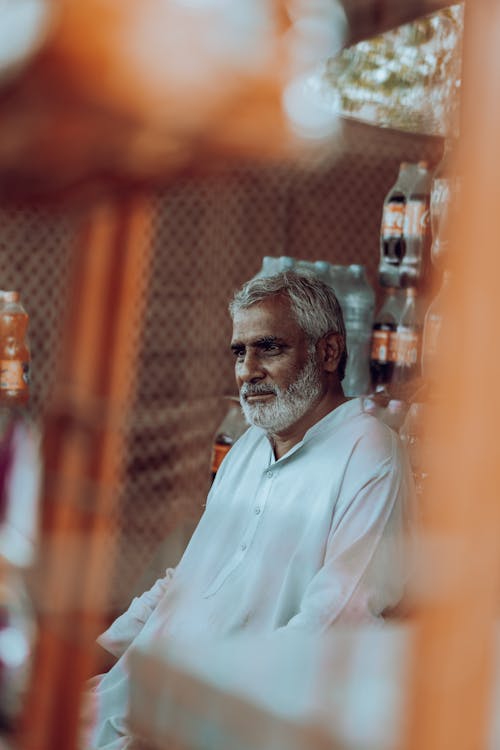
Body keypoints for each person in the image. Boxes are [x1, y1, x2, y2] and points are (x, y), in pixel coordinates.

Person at [82, 271, 414, 749]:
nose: (247, 370)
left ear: (328, 352)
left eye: (270, 348)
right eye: (239, 352)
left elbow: (338, 617)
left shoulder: (368, 450)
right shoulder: (247, 448)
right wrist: (98, 652)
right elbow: (187, 580)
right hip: (130, 698)